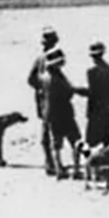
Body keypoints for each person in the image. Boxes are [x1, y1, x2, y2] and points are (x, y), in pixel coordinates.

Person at [42, 47, 87, 179]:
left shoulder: (45, 77)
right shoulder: (57, 78)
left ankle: (59, 169)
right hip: (64, 113)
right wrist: (83, 91)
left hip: (50, 114)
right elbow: (68, 92)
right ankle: (77, 170)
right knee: (75, 141)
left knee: (56, 144)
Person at [28, 27, 62, 174]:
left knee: (46, 129)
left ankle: (49, 162)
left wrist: (40, 88)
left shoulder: (39, 59)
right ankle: (53, 163)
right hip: (51, 98)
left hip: (43, 98)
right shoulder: (55, 57)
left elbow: (31, 79)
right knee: (53, 130)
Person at [85, 41, 109, 150]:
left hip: (96, 106)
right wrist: (108, 99)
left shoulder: (91, 71)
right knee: (107, 132)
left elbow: (92, 93)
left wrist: (89, 109)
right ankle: (107, 158)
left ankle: (92, 162)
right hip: (108, 105)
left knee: (91, 137)